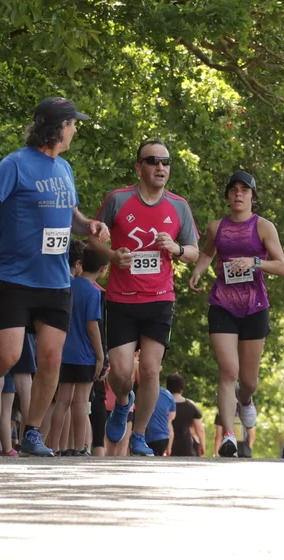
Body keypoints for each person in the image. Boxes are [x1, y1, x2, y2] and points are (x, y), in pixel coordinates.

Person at [0, 97, 109, 457]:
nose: (75, 131)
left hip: (57, 281)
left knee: (51, 358)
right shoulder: (16, 163)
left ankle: (32, 431)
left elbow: (71, 215)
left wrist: (89, 225)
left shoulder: (64, 168)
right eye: (73, 124)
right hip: (17, 277)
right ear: (59, 127)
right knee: (7, 356)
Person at [91, 139, 198, 457]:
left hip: (159, 298)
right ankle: (124, 403)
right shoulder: (118, 200)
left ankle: (139, 435)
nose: (160, 167)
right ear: (139, 167)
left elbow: (193, 251)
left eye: (166, 162)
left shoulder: (178, 206)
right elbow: (92, 238)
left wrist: (176, 248)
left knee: (151, 370)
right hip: (121, 299)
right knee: (122, 374)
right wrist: (112, 255)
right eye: (153, 161)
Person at [189, 171, 284, 457]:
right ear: (228, 197)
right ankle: (229, 436)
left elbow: (280, 266)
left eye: (244, 190)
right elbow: (208, 253)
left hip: (255, 307)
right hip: (222, 304)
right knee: (228, 371)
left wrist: (254, 262)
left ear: (253, 197)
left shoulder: (264, 227)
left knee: (249, 381)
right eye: (233, 190)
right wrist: (198, 271)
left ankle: (245, 400)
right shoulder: (216, 227)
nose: (239, 194)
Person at [52, 241, 106, 455]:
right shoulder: (93, 292)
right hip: (85, 354)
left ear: (81, 263)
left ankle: (54, 446)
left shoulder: (68, 285)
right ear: (103, 269)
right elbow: (92, 326)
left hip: (65, 351)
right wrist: (100, 355)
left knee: (62, 401)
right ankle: (78, 447)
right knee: (81, 402)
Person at [166, 373, 203, 458]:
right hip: (186, 445)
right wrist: (202, 444)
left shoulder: (164, 404)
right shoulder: (191, 405)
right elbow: (199, 429)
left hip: (167, 444)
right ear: (182, 388)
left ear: (167, 387)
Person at [146, 381, 176, 456]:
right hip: (163, 437)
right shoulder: (168, 395)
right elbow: (171, 418)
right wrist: (169, 446)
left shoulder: (140, 392)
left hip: (144, 437)